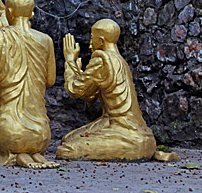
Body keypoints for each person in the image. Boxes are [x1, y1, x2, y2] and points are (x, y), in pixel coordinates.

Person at [0, 0, 58, 168]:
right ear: (32, 14)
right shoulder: (46, 40)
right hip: (41, 134)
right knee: (32, 140)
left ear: (9, 12)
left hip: (10, 130)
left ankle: (17, 156)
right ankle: (34, 155)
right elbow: (50, 80)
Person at [56, 19, 156, 161]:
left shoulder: (102, 59)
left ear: (101, 41)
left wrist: (70, 60)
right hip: (118, 124)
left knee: (65, 150)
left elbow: (75, 90)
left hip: (126, 131)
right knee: (68, 139)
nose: (90, 45)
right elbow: (90, 96)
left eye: (92, 40)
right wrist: (78, 72)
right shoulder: (120, 60)